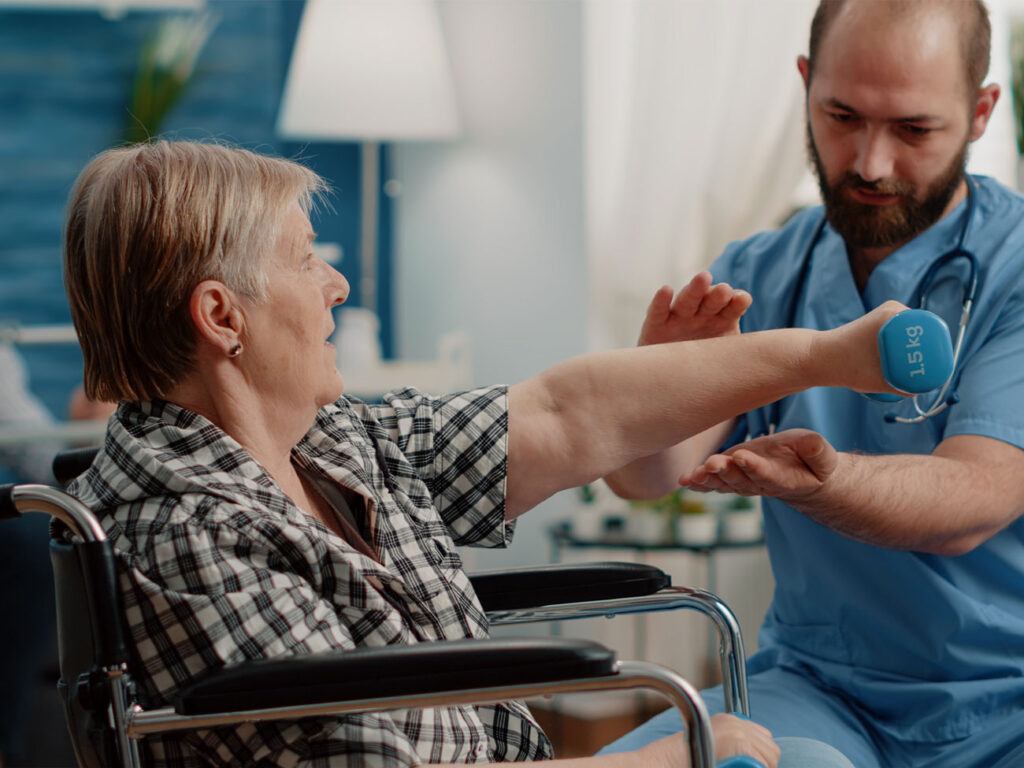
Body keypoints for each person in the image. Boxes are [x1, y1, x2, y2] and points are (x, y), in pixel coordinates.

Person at [61, 140, 902, 768]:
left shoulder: (332, 442)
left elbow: (564, 414)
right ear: (222, 317)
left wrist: (837, 355)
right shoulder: (187, 538)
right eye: (307, 259)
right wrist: (671, 754)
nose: (337, 285)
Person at [602, 1, 1024, 767]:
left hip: (1006, 700)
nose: (869, 163)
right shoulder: (760, 272)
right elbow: (644, 478)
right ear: (805, 86)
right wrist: (648, 392)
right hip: (821, 689)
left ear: (982, 111)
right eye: (841, 116)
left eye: (914, 129)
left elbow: (976, 497)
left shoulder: (1016, 268)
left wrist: (824, 483)